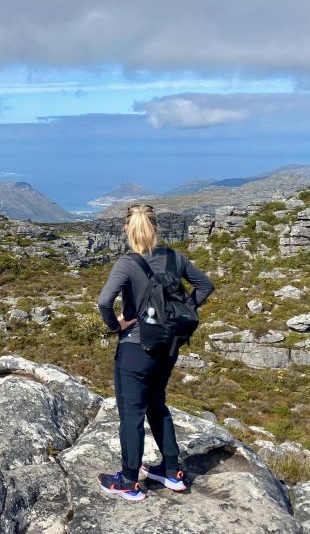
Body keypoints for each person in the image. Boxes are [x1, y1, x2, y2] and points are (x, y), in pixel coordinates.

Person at [95, 204, 214, 501]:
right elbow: (205, 285)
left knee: (131, 415)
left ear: (127, 229)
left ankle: (128, 480)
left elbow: (104, 302)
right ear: (156, 228)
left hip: (135, 349)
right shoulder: (175, 257)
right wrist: (178, 313)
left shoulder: (128, 263)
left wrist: (117, 325)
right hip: (167, 347)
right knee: (157, 405)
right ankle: (171, 471)